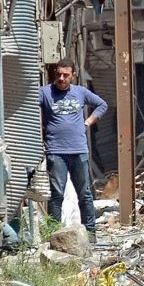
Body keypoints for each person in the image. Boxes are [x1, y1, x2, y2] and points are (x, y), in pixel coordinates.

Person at [39, 59, 107, 239]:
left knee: (84, 194)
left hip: (78, 150)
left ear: (73, 75)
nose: (61, 78)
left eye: (66, 75)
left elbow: (102, 105)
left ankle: (90, 235)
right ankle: (53, 235)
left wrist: (88, 122)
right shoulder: (45, 93)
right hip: (55, 151)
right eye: (59, 74)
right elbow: (28, 108)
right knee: (57, 195)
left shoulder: (80, 92)